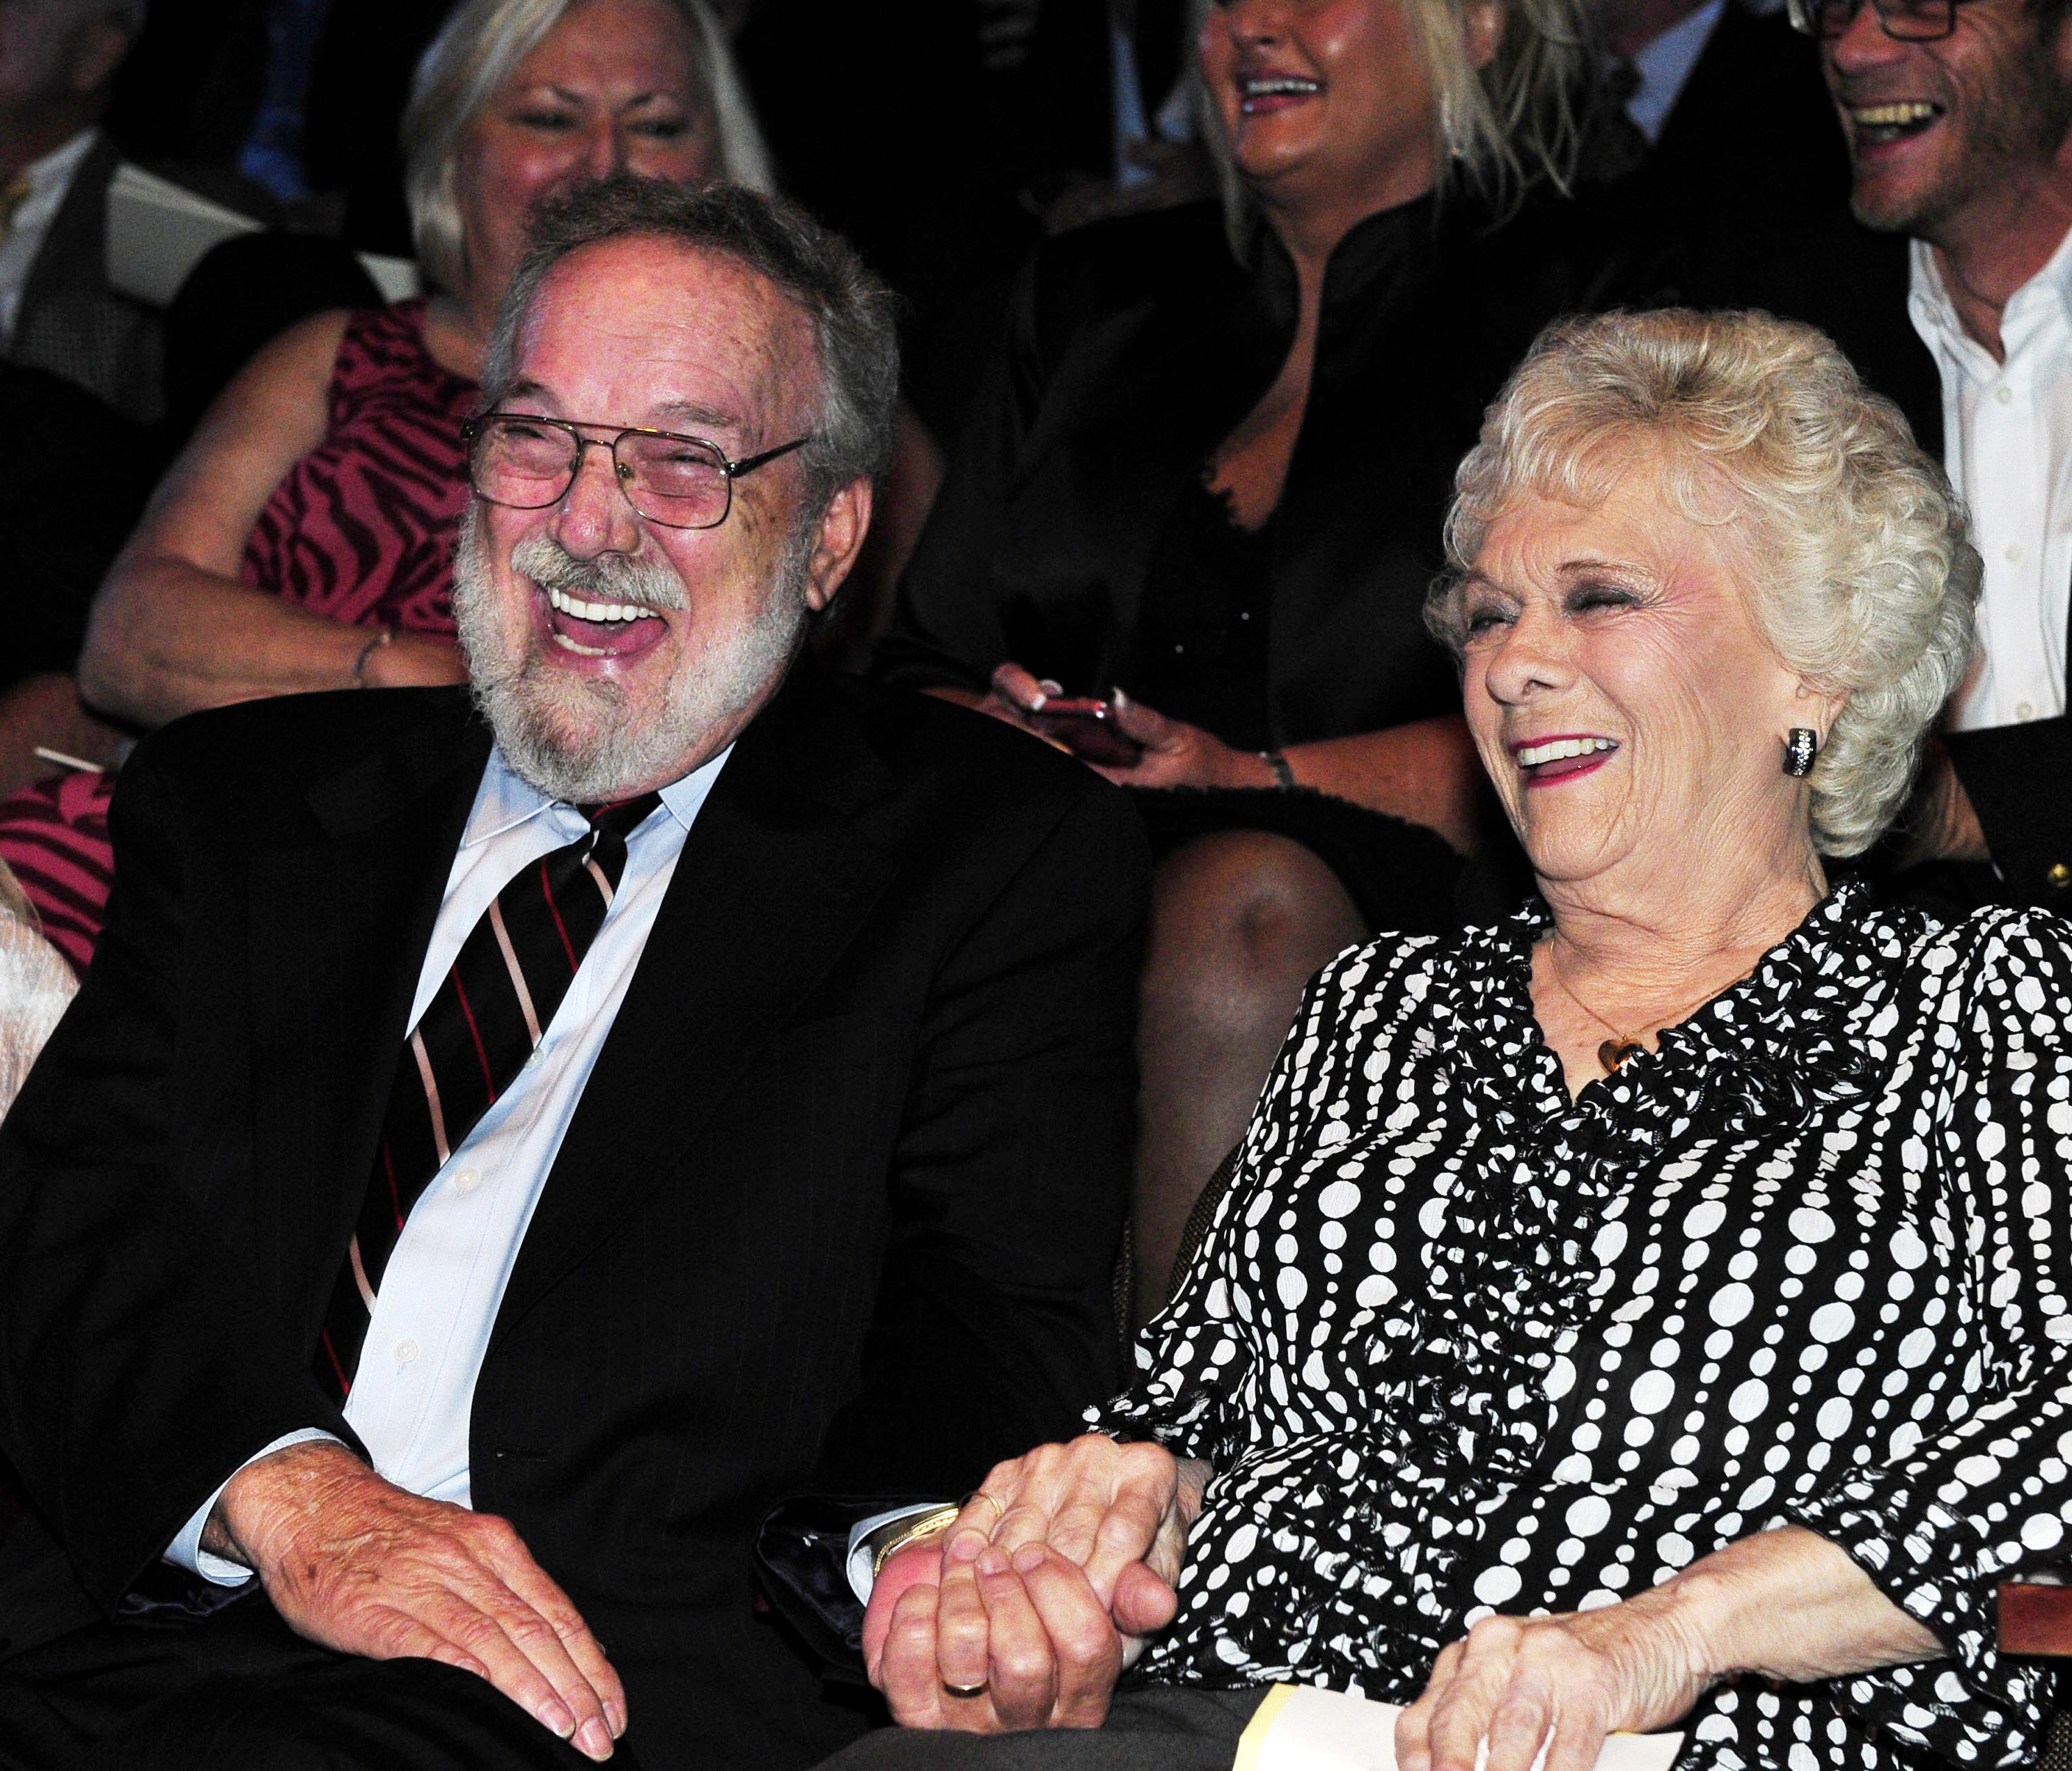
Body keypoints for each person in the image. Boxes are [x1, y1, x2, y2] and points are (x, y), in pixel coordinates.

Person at [810, 309, 2072, 1771]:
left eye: (1598, 599)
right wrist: (1092, 1522)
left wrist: (1663, 1636)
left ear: (1819, 667)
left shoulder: (1993, 999)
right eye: (1486, 614)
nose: (1514, 665)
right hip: (1252, 1728)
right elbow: (1195, 1410)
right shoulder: (1382, 1008)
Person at [0, 175, 1146, 1771]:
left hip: (562, 1684)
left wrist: (917, 1558)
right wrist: (280, 1490)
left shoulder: (984, 860)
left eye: (681, 461)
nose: (585, 525)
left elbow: (993, 1305)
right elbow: (72, 1213)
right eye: (534, 438)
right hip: (121, 1601)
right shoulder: (250, 798)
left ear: (828, 537)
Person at [876, 0, 1622, 1316]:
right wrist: (1009, 732)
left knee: (1240, 910)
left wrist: (1247, 772)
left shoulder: (1590, 310)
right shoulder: (1096, 291)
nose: (1251, 28)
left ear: (1484, 26)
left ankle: (1189, 1470)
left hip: (1436, 878)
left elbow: (1628, 693)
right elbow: (917, 660)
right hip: (1060, 842)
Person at [0, 0, 772, 973]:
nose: (605, 161)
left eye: (657, 123)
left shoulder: (784, 419)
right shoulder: (338, 357)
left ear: (723, 158)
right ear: (455, 148)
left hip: (466, 930)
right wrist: (414, 672)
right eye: (548, 116)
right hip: (149, 849)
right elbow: (131, 636)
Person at [1717, 0, 2072, 908]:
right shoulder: (1780, 349)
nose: (1856, 47)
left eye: (1922, 4)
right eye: (1832, 5)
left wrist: (1958, 802)